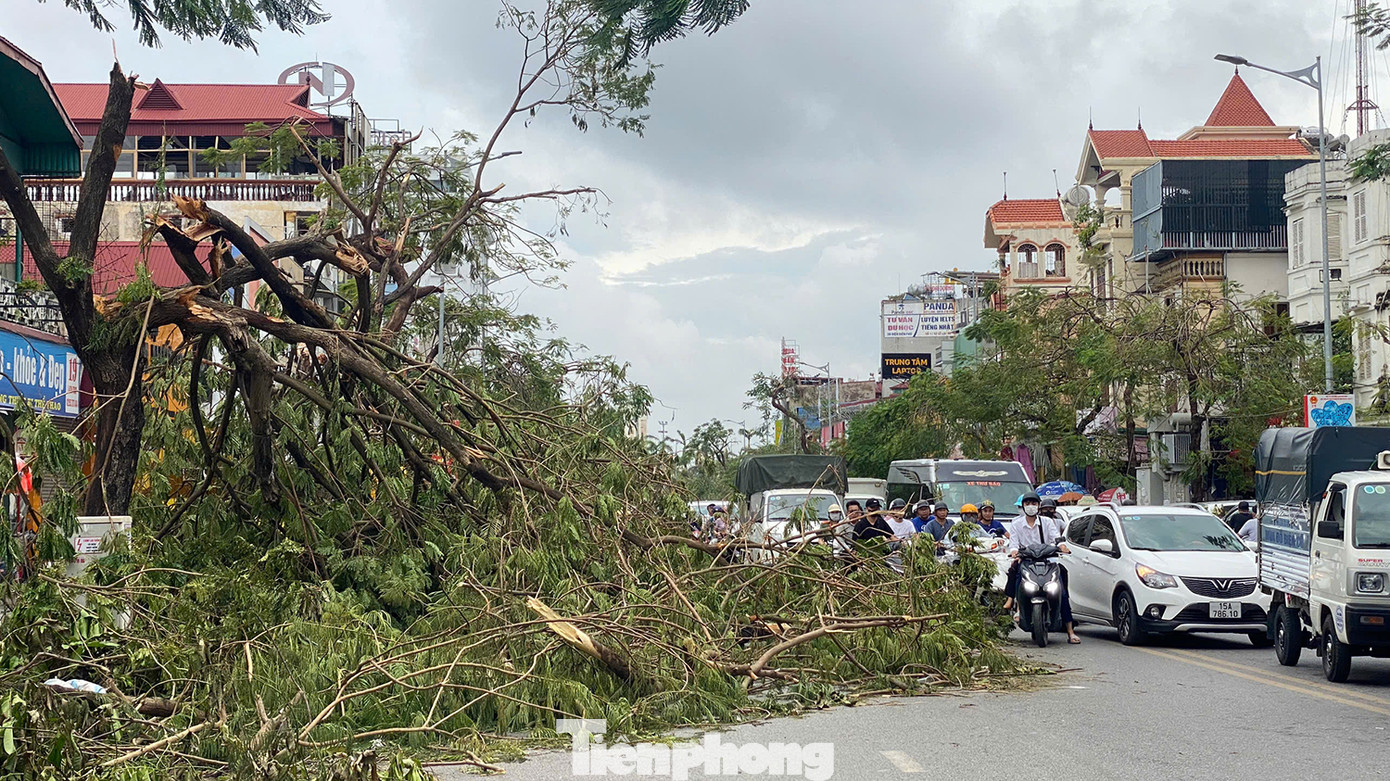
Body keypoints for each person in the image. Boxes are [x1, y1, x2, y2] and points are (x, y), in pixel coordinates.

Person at [1004, 491, 1081, 645]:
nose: (1031, 506)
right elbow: (1013, 543)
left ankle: (1070, 631)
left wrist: (1062, 546)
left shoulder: (1047, 522)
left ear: (1038, 506)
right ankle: (1016, 605)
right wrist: (1014, 552)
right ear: (1023, 506)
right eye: (1027, 504)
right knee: (1017, 575)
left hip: (1048, 561)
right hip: (1027, 561)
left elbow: (1056, 538)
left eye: (1034, 503)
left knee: (1062, 592)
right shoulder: (1016, 524)